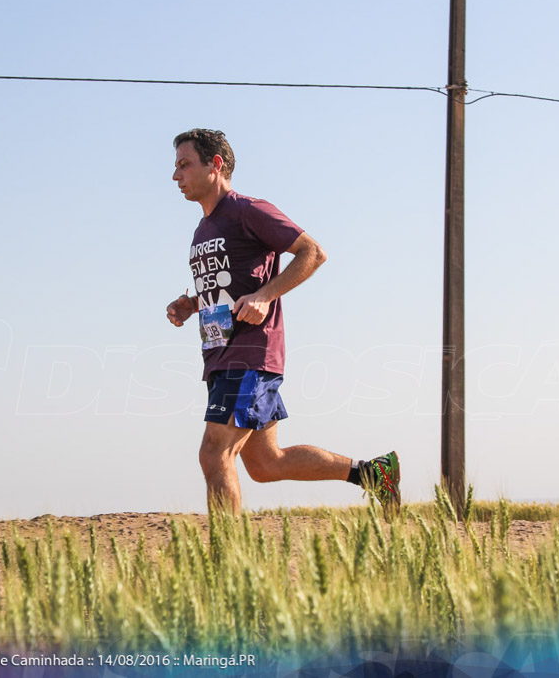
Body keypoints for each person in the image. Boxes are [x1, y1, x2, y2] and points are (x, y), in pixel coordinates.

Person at [166, 128, 400, 516]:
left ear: (216, 165)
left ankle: (227, 561)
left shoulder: (248, 210)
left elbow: (313, 252)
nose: (176, 176)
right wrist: (191, 303)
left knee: (214, 453)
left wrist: (265, 296)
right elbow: (231, 283)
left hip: (248, 354)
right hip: (220, 355)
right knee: (265, 464)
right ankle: (374, 473)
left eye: (184, 165)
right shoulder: (203, 229)